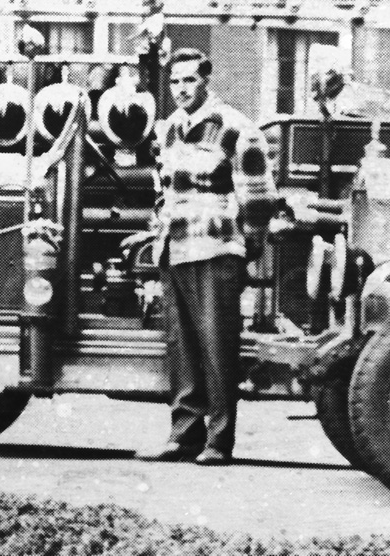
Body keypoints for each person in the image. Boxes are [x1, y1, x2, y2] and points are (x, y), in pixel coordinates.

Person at [134, 48, 277, 465]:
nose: (181, 89)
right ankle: (184, 436)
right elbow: (164, 189)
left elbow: (258, 194)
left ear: (206, 80)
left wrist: (248, 245)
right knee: (182, 347)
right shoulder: (170, 128)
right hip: (174, 247)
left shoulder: (236, 126)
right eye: (175, 81)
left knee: (217, 346)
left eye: (190, 80)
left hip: (216, 250)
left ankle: (218, 442)